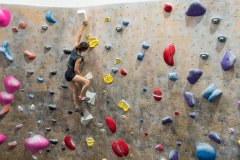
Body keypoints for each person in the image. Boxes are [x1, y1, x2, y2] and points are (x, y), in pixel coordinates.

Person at [64, 21, 90, 111]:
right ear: (85, 50)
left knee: (75, 90)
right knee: (87, 82)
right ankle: (82, 96)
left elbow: (78, 36)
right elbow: (76, 69)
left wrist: (83, 25)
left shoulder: (75, 47)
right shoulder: (79, 58)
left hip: (67, 74)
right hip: (71, 74)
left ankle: (77, 106)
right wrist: (82, 77)